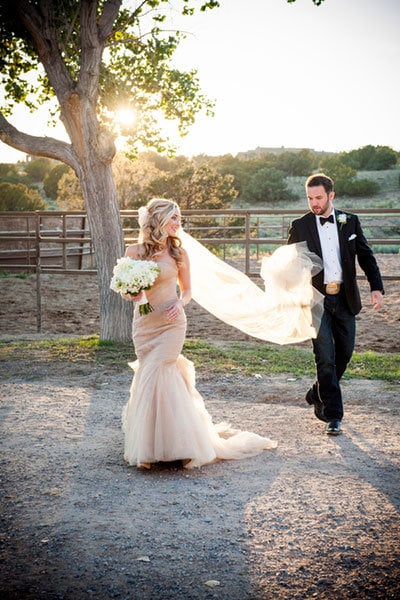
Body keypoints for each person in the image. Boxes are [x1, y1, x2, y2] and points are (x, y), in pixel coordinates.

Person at [121, 198, 277, 469]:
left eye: (179, 218)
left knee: (162, 369)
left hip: (172, 323)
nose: (178, 223)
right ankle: (148, 447)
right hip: (145, 325)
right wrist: (134, 293)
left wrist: (180, 303)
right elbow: (126, 292)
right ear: (157, 220)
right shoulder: (134, 252)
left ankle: (181, 445)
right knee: (148, 371)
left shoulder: (179, 254)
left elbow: (189, 290)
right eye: (173, 218)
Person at [287, 173, 384, 436]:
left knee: (345, 353)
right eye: (310, 198)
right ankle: (333, 415)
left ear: (331, 195)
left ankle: (317, 392)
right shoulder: (300, 225)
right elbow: (291, 263)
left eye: (318, 197)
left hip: (345, 298)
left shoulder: (349, 222)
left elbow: (365, 255)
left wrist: (376, 287)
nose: (314, 203)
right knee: (325, 357)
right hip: (316, 300)